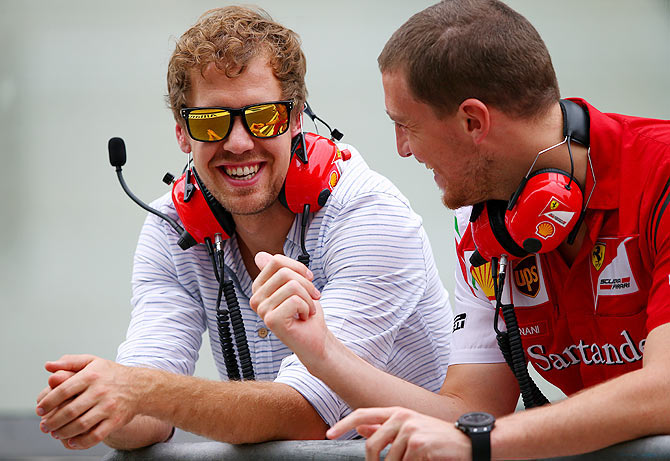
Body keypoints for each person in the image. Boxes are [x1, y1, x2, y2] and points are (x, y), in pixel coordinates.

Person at [251, 0, 670, 459]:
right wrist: (324, 353)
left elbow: (663, 390)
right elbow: (468, 411)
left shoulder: (661, 173)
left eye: (405, 125)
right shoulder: (482, 226)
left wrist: (482, 443)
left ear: (473, 121)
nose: (403, 149)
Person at [34, 6, 453, 451]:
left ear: (294, 120)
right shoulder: (170, 230)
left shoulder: (370, 214)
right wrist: (94, 407)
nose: (238, 142)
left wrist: (139, 390)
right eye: (211, 122)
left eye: (264, 118)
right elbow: (142, 410)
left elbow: (308, 414)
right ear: (182, 132)